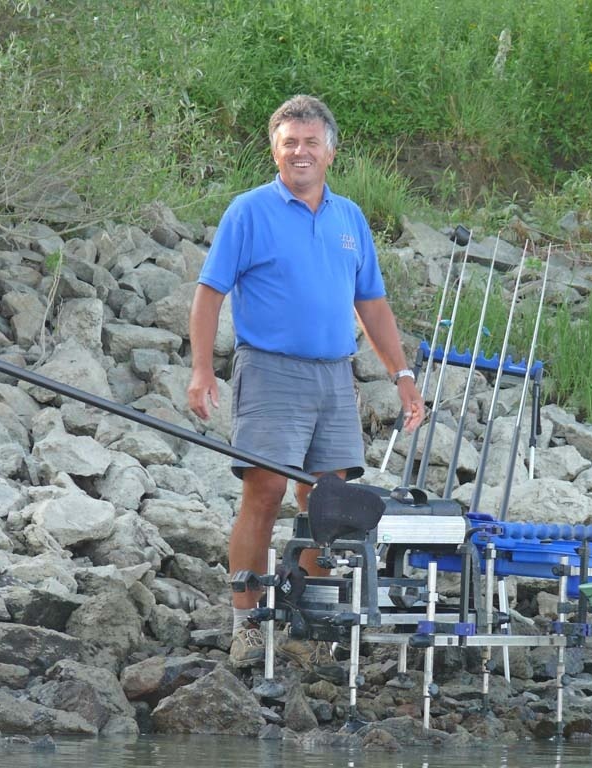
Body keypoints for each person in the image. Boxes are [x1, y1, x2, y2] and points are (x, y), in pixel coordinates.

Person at [187, 94, 425, 669]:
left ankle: (309, 625)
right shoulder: (248, 211)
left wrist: (403, 376)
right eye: (289, 142)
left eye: (310, 143)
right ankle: (247, 624)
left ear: (330, 152)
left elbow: (371, 303)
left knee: (328, 503)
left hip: (334, 378)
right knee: (264, 493)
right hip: (269, 372)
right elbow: (209, 294)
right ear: (274, 150)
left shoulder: (350, 219)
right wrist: (200, 370)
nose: (300, 152)